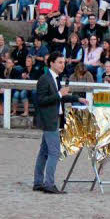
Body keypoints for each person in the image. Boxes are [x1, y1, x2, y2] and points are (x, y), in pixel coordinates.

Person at [33, 52, 84, 194]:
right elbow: (42, 100)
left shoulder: (55, 78)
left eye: (63, 62)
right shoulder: (45, 79)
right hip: (50, 119)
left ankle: (38, 182)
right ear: (51, 63)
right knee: (54, 152)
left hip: (54, 118)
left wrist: (76, 98)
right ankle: (49, 184)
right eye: (60, 62)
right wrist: (60, 94)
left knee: (44, 151)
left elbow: (59, 97)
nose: (63, 65)